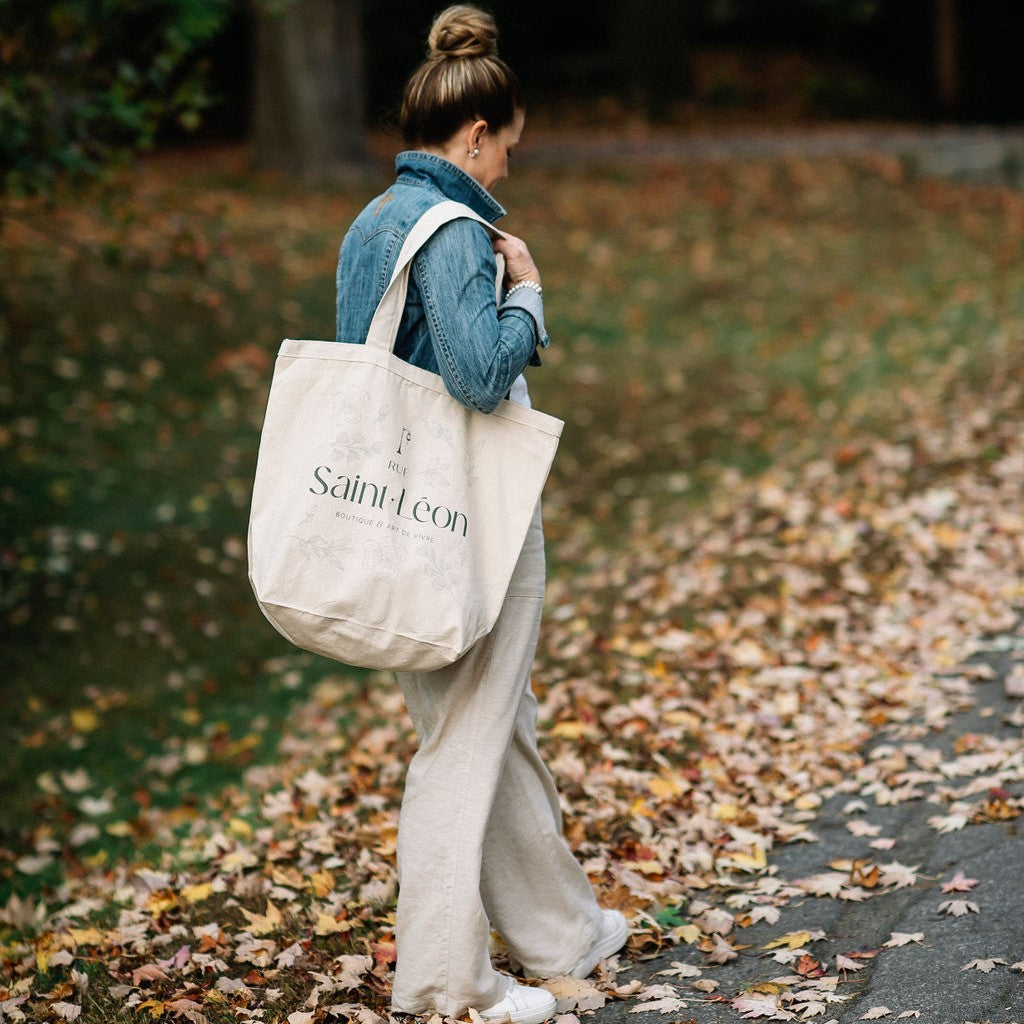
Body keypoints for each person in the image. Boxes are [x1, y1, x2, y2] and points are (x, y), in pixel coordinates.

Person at [334, 6, 628, 1023]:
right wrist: (528, 295)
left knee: (496, 727)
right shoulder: (459, 232)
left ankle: (559, 932)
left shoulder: (371, 222)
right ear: (472, 138)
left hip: (396, 515)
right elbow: (473, 373)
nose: (506, 166)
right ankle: (444, 982)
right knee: (467, 738)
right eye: (505, 148)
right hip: (472, 520)